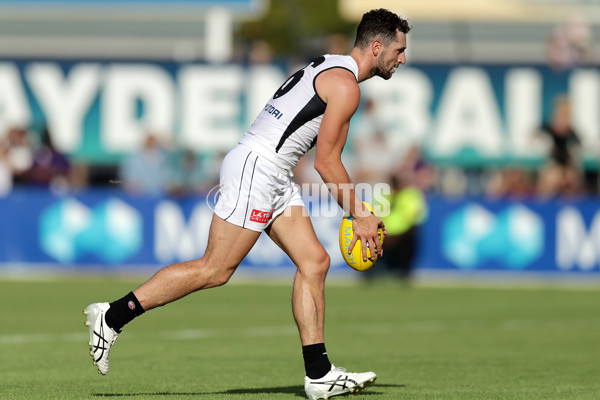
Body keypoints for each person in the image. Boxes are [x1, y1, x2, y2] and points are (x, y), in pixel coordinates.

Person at [84, 9, 410, 400]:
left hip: (270, 171)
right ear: (377, 47)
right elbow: (326, 161)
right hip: (260, 170)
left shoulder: (330, 65)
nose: (402, 59)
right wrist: (360, 211)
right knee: (215, 269)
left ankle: (319, 374)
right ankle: (112, 316)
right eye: (399, 50)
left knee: (314, 262)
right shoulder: (346, 86)